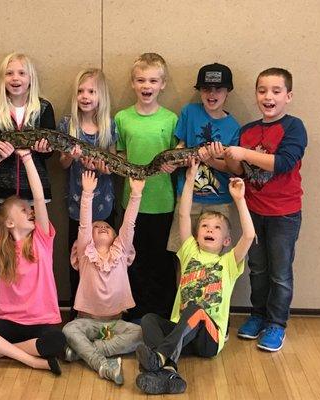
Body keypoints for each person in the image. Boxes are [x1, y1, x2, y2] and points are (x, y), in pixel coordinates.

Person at [135, 159, 255, 395]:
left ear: (226, 241)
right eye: (205, 226)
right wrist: (189, 179)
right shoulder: (189, 252)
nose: (210, 230)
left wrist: (240, 200)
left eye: (216, 228)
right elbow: (183, 215)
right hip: (182, 336)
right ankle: (169, 372)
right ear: (196, 234)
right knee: (149, 319)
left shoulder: (228, 262)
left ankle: (160, 355)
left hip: (208, 340)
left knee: (196, 309)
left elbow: (249, 236)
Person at [0, 142, 65, 375]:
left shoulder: (42, 238)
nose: (30, 211)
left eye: (29, 209)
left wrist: (27, 158)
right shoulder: (0, 246)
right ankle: (32, 360)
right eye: (22, 209)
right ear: (9, 223)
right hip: (8, 323)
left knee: (57, 340)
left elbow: (39, 199)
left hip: (41, 323)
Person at [225, 68, 307, 352]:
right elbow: (238, 169)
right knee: (257, 269)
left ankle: (277, 323)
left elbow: (283, 162)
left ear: (288, 96)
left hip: (284, 213)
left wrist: (244, 153)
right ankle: (257, 315)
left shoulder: (294, 127)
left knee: (280, 273)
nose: (268, 96)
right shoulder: (246, 131)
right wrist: (223, 157)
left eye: (275, 91)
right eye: (262, 91)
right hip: (253, 212)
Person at [62, 171, 144, 385]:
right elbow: (83, 226)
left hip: (116, 323)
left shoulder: (121, 251)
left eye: (107, 226)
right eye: (97, 228)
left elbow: (129, 225)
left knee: (139, 333)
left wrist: (136, 195)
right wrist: (86, 194)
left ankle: (84, 352)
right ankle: (102, 363)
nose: (101, 227)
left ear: (116, 237)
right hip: (86, 321)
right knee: (68, 329)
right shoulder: (85, 253)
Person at [115, 52, 178, 321]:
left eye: (153, 80)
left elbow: (178, 155)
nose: (147, 86)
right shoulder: (121, 118)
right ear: (132, 83)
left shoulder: (171, 119)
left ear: (162, 84)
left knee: (161, 261)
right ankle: (135, 312)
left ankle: (162, 314)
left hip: (162, 201)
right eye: (141, 80)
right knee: (133, 259)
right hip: (131, 202)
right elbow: (118, 154)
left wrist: (173, 163)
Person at [57, 68, 118, 319]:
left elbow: (113, 164)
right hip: (76, 205)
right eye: (81, 91)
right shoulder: (67, 125)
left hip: (104, 206)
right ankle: (78, 312)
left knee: (105, 261)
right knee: (78, 259)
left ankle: (104, 312)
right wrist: (70, 157)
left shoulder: (109, 126)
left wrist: (105, 168)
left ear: (100, 95)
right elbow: (61, 164)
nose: (85, 96)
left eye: (91, 91)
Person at [167, 63, 241, 253]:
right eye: (207, 89)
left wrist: (210, 160)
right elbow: (181, 145)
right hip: (188, 197)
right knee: (184, 254)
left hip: (220, 200)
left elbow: (233, 168)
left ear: (228, 92)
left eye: (218, 89)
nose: (212, 94)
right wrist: (178, 159)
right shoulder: (189, 112)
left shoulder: (233, 127)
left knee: (217, 257)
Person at [0, 52, 55, 202]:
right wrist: (3, 153)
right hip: (3, 192)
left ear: (31, 78)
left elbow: (50, 152)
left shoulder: (43, 108)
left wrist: (45, 149)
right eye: (9, 73)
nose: (15, 78)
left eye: (22, 73)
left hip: (35, 191)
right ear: (3, 79)